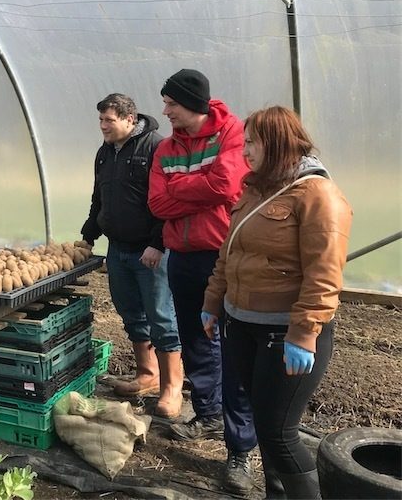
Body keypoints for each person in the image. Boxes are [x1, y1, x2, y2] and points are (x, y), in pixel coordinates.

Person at [201, 106, 352, 499]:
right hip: (242, 323)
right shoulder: (255, 190)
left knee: (279, 432)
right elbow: (229, 252)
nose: (244, 150)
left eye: (251, 142)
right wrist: (213, 301)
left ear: (277, 142)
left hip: (284, 333)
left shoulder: (317, 194)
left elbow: (324, 274)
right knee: (265, 426)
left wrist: (303, 335)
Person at [148, 69, 258, 494]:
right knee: (194, 337)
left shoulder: (231, 131)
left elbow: (228, 184)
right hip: (184, 256)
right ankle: (209, 413)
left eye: (171, 103)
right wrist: (198, 189)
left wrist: (182, 189)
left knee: (236, 346)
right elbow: (157, 201)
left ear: (191, 102)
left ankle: (240, 449)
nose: (165, 110)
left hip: (223, 253)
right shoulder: (166, 148)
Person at [81, 93, 183, 418]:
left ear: (129, 118)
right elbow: (99, 198)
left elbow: (169, 200)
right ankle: (147, 375)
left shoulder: (156, 147)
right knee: (131, 314)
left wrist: (158, 243)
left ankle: (171, 389)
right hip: (118, 250)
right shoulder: (104, 153)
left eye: (108, 120)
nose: (102, 127)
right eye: (100, 121)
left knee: (162, 318)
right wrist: (88, 233)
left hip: (150, 250)